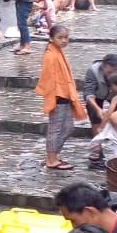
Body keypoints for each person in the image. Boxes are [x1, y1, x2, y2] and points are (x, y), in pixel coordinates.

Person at [35, 25, 86, 171]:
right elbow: (48, 78)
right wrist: (54, 95)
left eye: (66, 37)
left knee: (68, 128)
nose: (64, 41)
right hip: (57, 96)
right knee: (55, 129)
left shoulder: (58, 52)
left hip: (65, 95)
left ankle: (52, 155)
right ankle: (51, 159)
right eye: (60, 38)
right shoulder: (51, 55)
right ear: (51, 38)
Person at [84, 53, 117, 169]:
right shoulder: (93, 71)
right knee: (95, 119)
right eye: (109, 73)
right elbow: (88, 93)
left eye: (115, 73)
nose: (111, 76)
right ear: (103, 67)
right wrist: (98, 109)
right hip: (97, 94)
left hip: (116, 94)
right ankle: (97, 152)